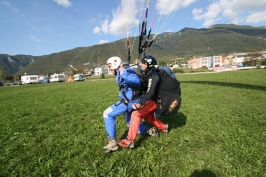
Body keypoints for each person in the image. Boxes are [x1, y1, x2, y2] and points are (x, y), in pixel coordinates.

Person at [103, 56, 158, 153]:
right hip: (131, 101)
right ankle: (149, 131)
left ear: (115, 64)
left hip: (129, 102)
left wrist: (123, 72)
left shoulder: (126, 70)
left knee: (107, 114)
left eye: (109, 65)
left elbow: (136, 81)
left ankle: (112, 143)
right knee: (129, 122)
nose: (109, 68)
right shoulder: (122, 71)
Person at [118, 55, 168, 148]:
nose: (141, 64)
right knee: (149, 119)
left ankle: (130, 140)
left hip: (155, 101)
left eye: (142, 63)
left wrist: (140, 103)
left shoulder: (154, 75)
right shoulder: (149, 73)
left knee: (136, 114)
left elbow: (151, 92)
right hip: (151, 100)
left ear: (147, 64)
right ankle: (164, 127)